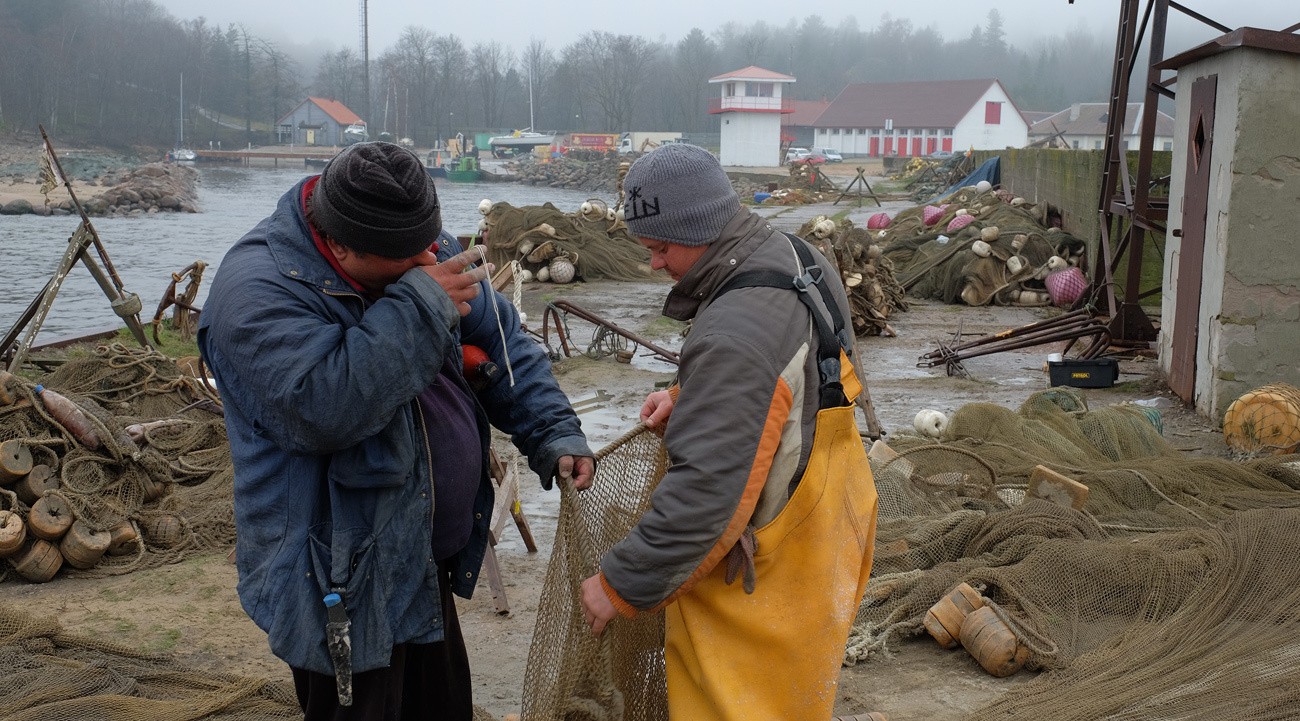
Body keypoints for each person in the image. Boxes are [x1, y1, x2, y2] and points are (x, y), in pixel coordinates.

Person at [198, 141, 595, 720]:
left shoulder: (417, 248)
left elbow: (506, 344)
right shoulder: (255, 293)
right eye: (408, 264)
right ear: (339, 244)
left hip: (418, 561)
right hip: (335, 580)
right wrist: (422, 305)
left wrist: (553, 430)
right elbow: (322, 408)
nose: (429, 265)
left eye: (429, 250)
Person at [579, 144, 878, 721]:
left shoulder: (733, 333)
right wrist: (692, 399)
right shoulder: (795, 252)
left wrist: (619, 585)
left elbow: (706, 498)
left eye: (662, 247)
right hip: (834, 521)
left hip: (773, 564)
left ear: (703, 226)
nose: (654, 265)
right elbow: (800, 375)